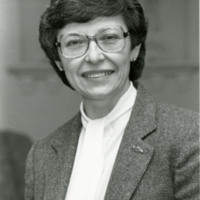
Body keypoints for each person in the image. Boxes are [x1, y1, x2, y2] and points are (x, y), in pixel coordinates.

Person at [25, 0, 199, 199]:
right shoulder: (41, 155)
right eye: (74, 42)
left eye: (109, 37)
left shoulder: (190, 136)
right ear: (58, 60)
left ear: (134, 49)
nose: (94, 57)